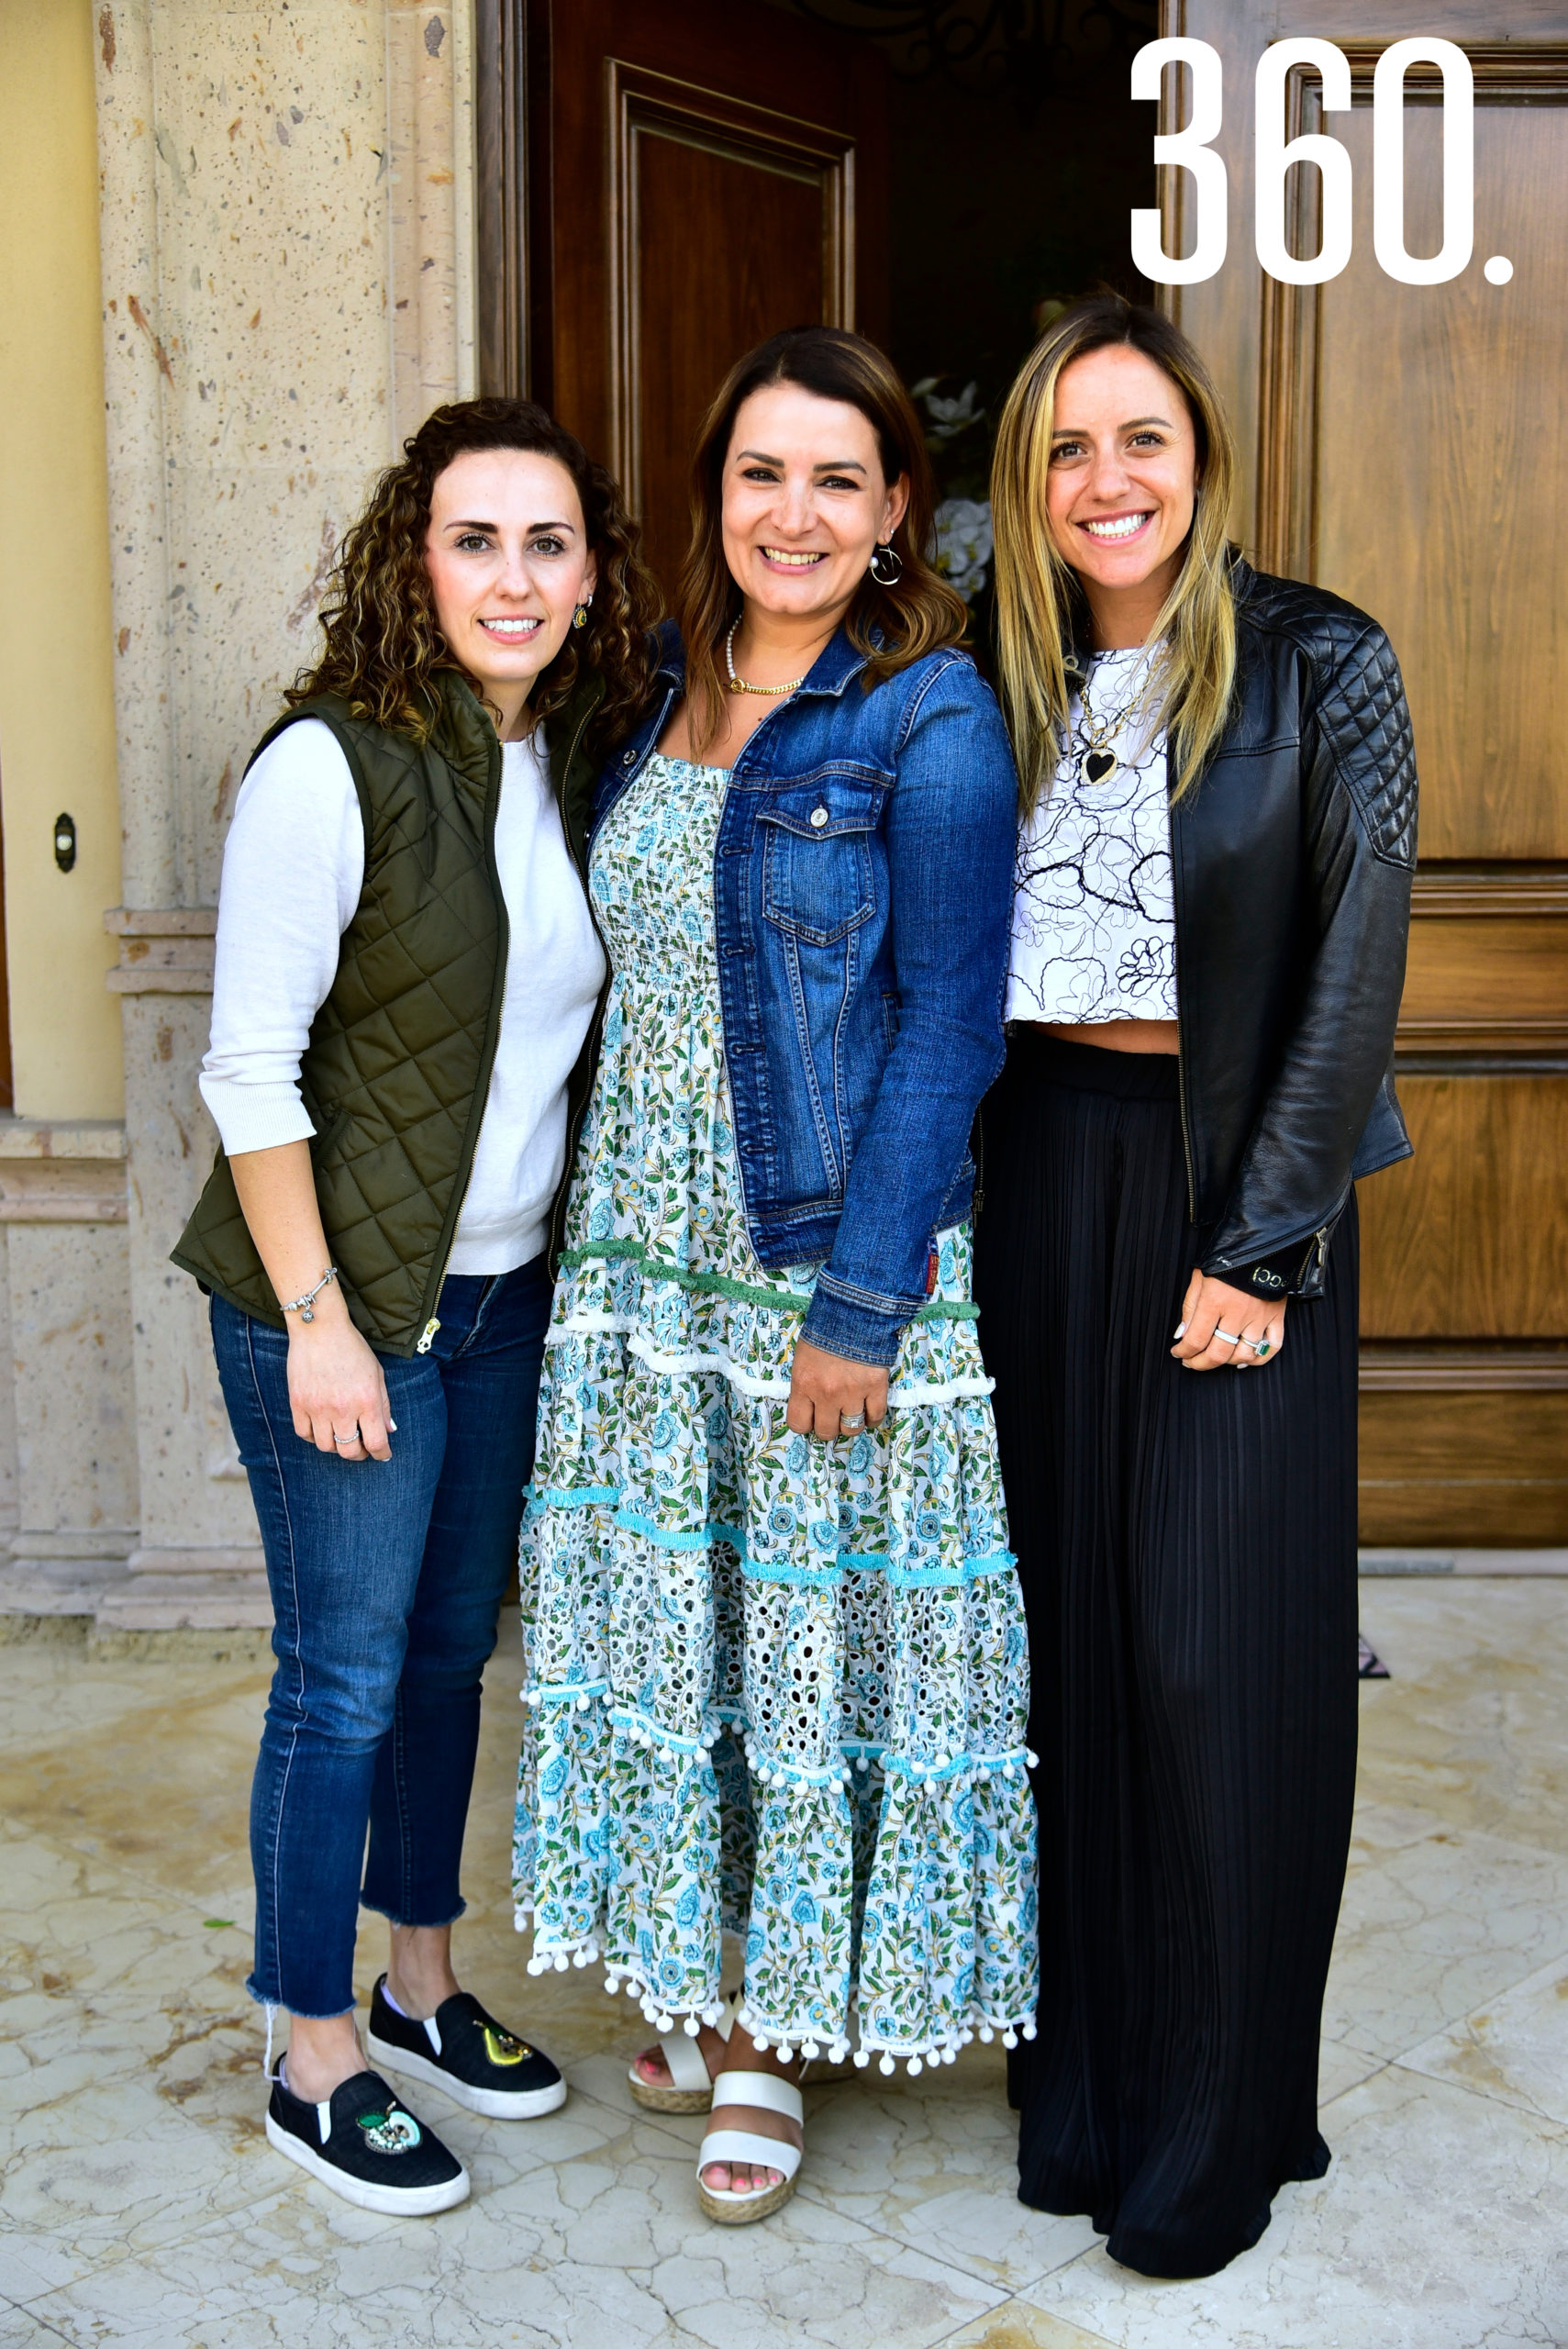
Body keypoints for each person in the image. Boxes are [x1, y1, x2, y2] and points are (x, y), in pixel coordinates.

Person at [511, 327, 1038, 2224]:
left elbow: (952, 1022)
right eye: (760, 473)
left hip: (812, 1251)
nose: (793, 514)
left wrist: (863, 1301)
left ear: (899, 506)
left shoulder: (930, 715)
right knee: (688, 1619)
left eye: (838, 479)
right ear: (715, 492)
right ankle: (707, 1955)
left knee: (800, 1641)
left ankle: (768, 2037)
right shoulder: (652, 683)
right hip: (637, 1252)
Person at [172, 398, 660, 2215]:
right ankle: (311, 2039)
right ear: (414, 558)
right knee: (344, 1677)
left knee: (455, 1659)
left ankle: (422, 1980)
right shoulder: (334, 763)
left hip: (505, 1292)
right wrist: (316, 1315)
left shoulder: (564, 756)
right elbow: (250, 1068)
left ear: (592, 574)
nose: (514, 577)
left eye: (549, 543)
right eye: (478, 540)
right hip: (342, 1301)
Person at [976, 295, 1416, 2278]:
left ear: (1202, 454)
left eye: (1139, 437)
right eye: (1067, 448)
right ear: (1027, 480)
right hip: (1036, 1176)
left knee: (1214, 1660)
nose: (1106, 481)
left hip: (1229, 1182)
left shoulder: (1326, 659)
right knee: (1065, 1643)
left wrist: (1262, 1242)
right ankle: (1087, 2072)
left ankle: (1226, 2112)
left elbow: (1355, 959)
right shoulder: (991, 667)